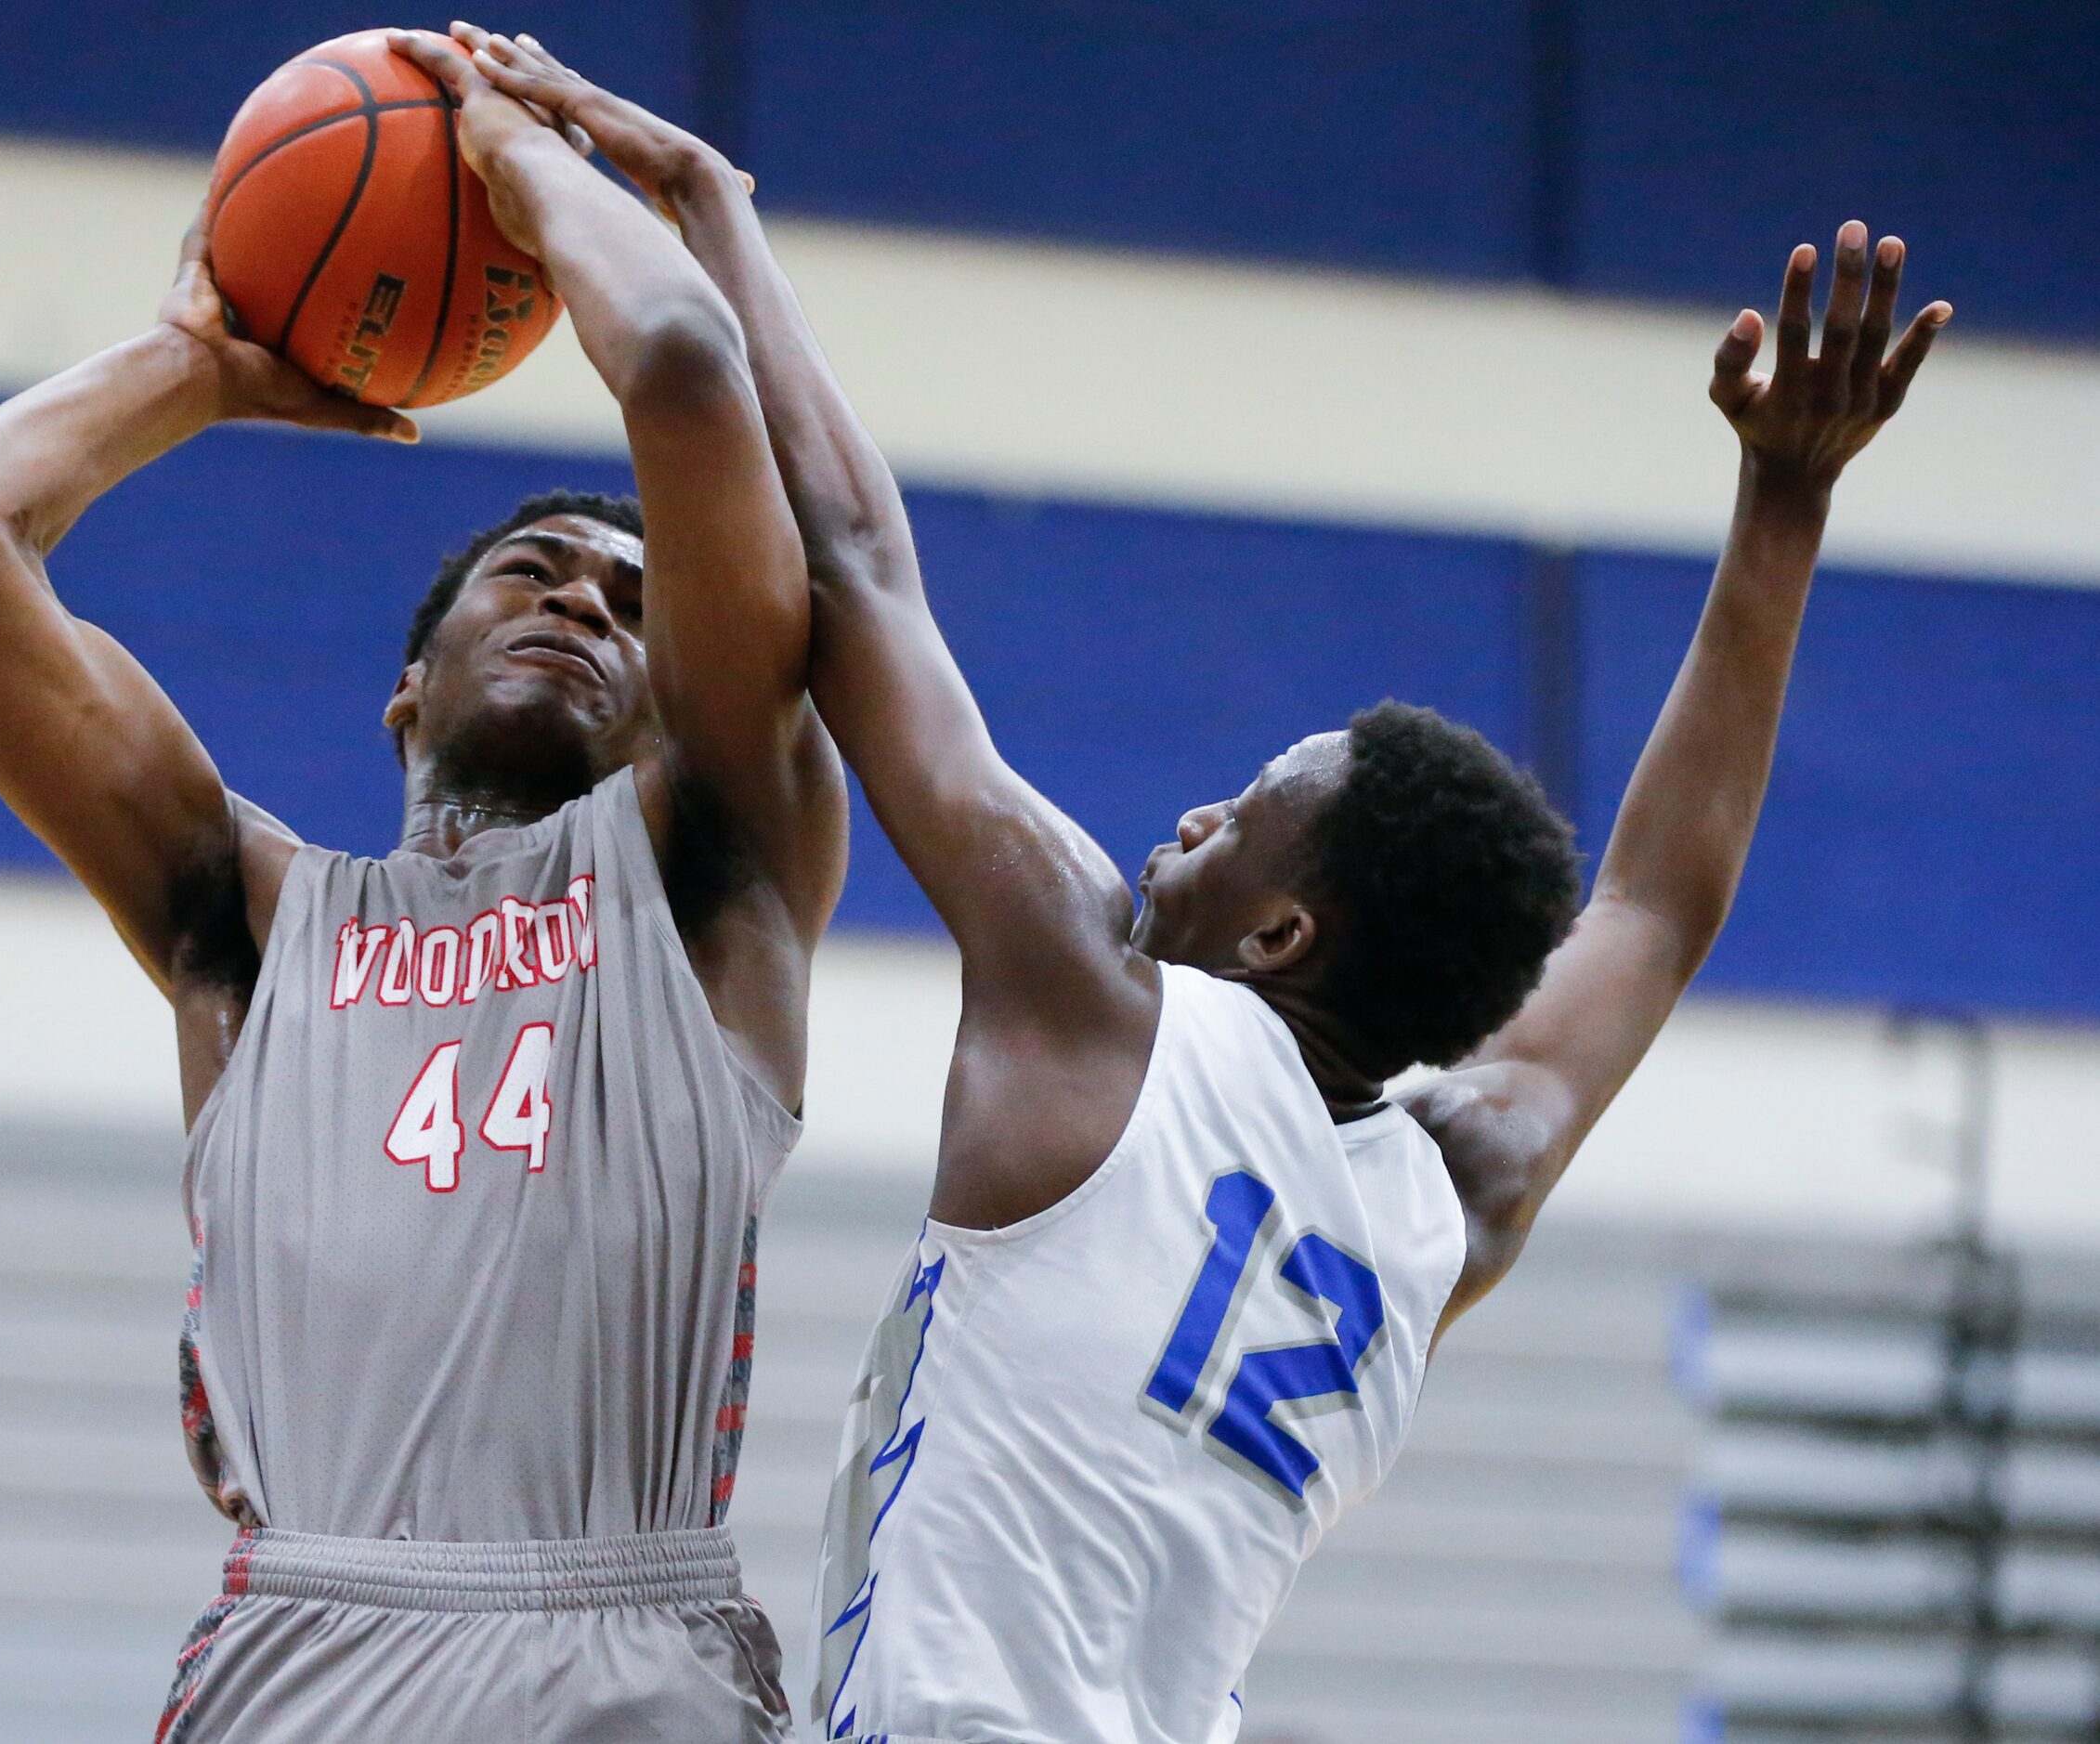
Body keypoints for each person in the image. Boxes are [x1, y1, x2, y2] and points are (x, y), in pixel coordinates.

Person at [454, 29, 1950, 1744]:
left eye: (1239, 811)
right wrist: (1784, 503)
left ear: (1280, 932)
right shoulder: (1454, 1188)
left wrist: (715, 212)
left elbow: (857, 567)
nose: (1183, 817)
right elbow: (1653, 912)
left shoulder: (1098, 1007)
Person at [0, 30, 845, 1742]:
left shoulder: (712, 874)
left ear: (663, 717)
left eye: (630, 602)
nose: (584, 606)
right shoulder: (245, 918)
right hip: (305, 1652)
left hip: (624, 1639)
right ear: (407, 688)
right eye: (532, 576)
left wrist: (525, 173)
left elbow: (686, 370)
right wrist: (193, 358)